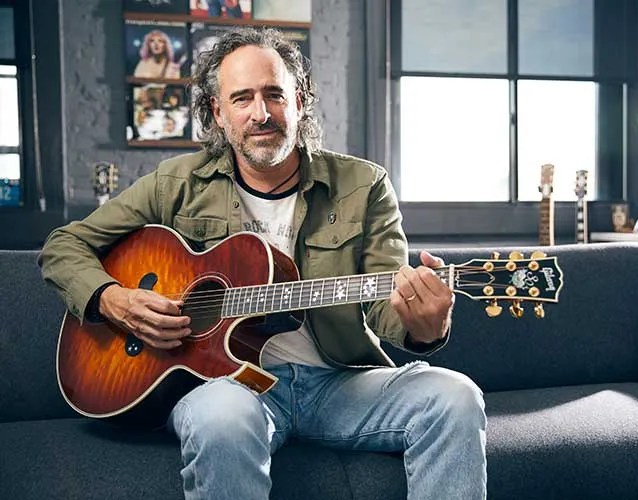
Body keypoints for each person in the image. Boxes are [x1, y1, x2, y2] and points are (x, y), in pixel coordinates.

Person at [39, 27, 487, 499]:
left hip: (339, 384)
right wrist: (114, 299)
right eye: (242, 98)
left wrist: (425, 327)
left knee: (455, 397)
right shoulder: (177, 183)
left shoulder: (364, 184)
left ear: (299, 99)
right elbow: (63, 246)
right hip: (226, 386)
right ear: (218, 112)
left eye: (274, 94)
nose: (261, 113)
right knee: (224, 419)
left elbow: (384, 310)